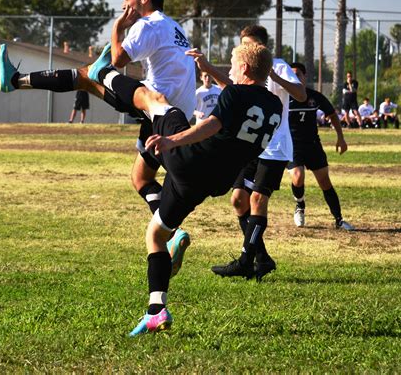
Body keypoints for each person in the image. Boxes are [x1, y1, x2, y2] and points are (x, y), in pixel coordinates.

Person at [0, 0, 196, 275]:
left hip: (155, 104)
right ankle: (172, 231)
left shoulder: (147, 24)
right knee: (141, 178)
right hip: (175, 113)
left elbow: (118, 58)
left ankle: (15, 81)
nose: (124, 6)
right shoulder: (175, 27)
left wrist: (119, 26)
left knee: (91, 74)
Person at [96, 42, 280, 336]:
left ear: (244, 68)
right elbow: (240, 95)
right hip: (213, 182)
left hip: (189, 161)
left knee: (156, 99)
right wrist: (209, 69)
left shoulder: (233, 93)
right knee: (155, 234)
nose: (229, 70)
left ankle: (102, 72)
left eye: (232, 64)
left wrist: (173, 141)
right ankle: (156, 310)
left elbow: (211, 125)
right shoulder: (274, 105)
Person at [191, 25, 307, 281]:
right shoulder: (245, 65)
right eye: (243, 44)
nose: (246, 49)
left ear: (263, 47)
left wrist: (275, 78)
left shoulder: (278, 65)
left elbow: (301, 94)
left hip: (274, 146)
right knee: (238, 200)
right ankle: (262, 258)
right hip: (250, 143)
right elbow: (235, 88)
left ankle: (246, 260)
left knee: (257, 200)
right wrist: (208, 68)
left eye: (250, 44)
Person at [288, 62, 354, 230]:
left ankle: (339, 220)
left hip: (313, 145)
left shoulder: (314, 97)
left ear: (305, 77)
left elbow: (332, 114)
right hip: (293, 146)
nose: (295, 78)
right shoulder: (283, 98)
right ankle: (300, 205)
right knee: (297, 176)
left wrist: (341, 138)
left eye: (298, 75)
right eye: (292, 75)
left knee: (324, 181)